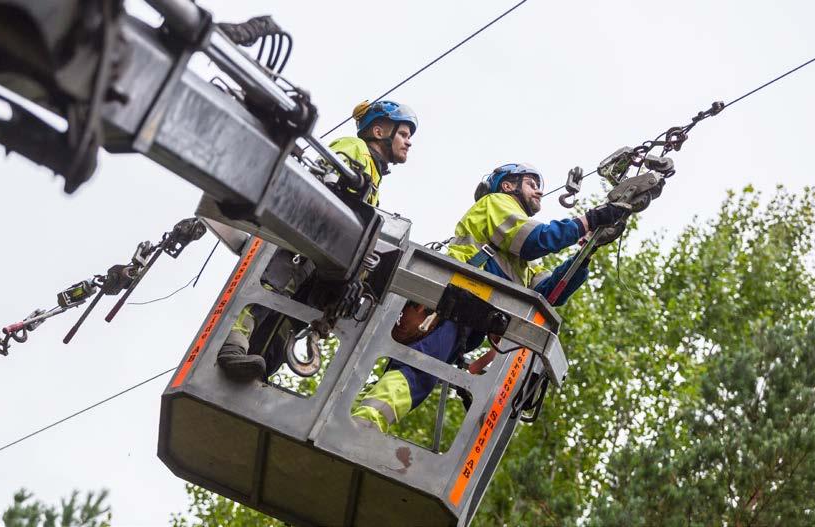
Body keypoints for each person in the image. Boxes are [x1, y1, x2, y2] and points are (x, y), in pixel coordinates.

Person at [351, 163, 627, 432]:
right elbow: (536, 240)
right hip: (452, 300)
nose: (540, 192)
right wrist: (589, 219)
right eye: (532, 184)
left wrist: (587, 250)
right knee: (417, 370)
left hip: (468, 315)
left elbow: (551, 292)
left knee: (420, 375)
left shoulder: (522, 265)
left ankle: (367, 423)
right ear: (508, 186)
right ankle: (364, 423)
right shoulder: (496, 203)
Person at [218, 100, 419, 381]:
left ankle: (261, 367)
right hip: (301, 240)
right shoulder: (354, 148)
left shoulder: (374, 178)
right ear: (378, 130)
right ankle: (232, 346)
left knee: (291, 315)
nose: (408, 143)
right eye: (404, 134)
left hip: (321, 258)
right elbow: (322, 182)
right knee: (270, 289)